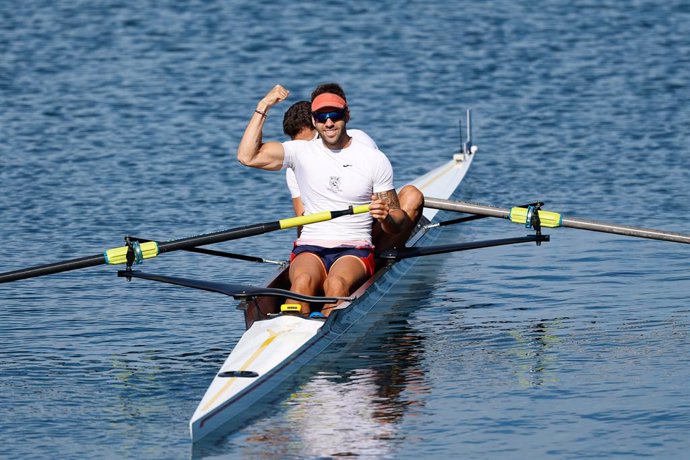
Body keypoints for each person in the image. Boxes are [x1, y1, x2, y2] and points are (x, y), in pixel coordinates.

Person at [237, 83, 416, 316]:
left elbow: (398, 219)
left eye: (335, 115)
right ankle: (293, 330)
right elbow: (246, 156)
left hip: (353, 248)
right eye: (322, 117)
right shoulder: (300, 152)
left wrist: (386, 219)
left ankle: (326, 328)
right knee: (301, 284)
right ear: (314, 121)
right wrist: (263, 106)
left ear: (347, 116)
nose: (329, 122)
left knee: (336, 285)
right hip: (311, 246)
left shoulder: (374, 160)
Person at [281, 100, 424, 249]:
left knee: (412, 195)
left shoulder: (360, 141)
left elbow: (384, 201)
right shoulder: (295, 163)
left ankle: (379, 257)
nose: (304, 149)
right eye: (296, 145)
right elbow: (302, 221)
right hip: (328, 237)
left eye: (308, 143)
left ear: (320, 126)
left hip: (368, 226)